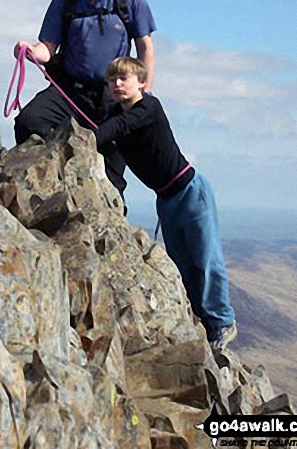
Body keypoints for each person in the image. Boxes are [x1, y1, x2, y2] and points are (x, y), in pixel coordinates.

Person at [95, 57, 237, 350]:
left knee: (206, 261)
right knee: (183, 266)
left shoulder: (149, 107)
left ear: (142, 82)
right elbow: (112, 128)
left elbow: (120, 126)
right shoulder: (114, 115)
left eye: (125, 78)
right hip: (166, 199)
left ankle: (223, 322)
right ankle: (203, 324)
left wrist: (90, 134)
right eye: (113, 80)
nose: (118, 84)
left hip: (190, 192)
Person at [13, 0, 156, 197]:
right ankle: (52, 183)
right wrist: (31, 51)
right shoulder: (64, 1)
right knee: (29, 121)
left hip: (114, 95)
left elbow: (144, 47)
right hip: (70, 91)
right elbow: (48, 48)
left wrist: (142, 94)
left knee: (112, 172)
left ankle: (110, 223)